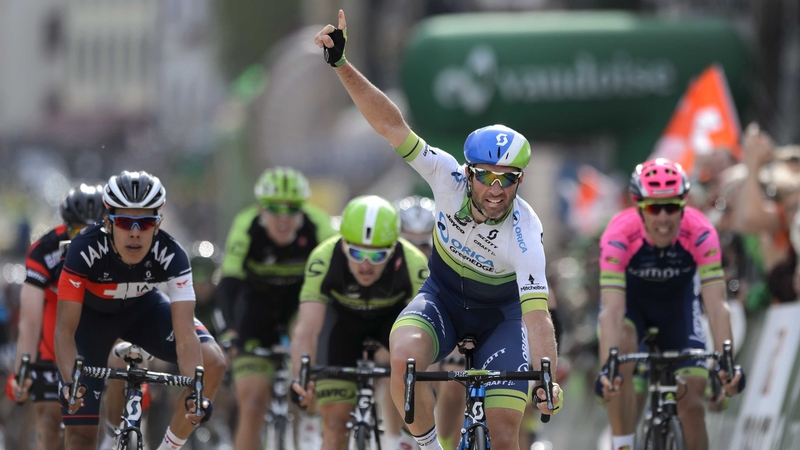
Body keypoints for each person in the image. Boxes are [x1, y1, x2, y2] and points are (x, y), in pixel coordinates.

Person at [313, 11, 562, 450]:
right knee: (404, 360)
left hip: (501, 320)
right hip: (442, 302)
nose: (496, 189)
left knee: (505, 432)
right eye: (486, 176)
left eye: (508, 179)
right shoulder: (445, 177)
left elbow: (537, 317)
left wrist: (547, 377)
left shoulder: (525, 231)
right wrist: (342, 65)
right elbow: (391, 126)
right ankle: (428, 447)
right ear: (468, 173)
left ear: (520, 180)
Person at [54, 170, 227, 450]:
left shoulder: (173, 254)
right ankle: (107, 437)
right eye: (124, 222)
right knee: (80, 438)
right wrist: (70, 382)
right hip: (92, 321)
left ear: (157, 225)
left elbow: (185, 334)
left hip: (144, 312)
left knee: (213, 362)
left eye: (145, 223)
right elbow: (64, 329)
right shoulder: (83, 247)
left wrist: (195, 391)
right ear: (108, 222)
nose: (135, 233)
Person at [596, 158, 746, 450]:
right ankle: (622, 444)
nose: (664, 218)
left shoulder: (701, 231)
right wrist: (607, 369)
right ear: (640, 207)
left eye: (672, 207)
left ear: (683, 205)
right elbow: (611, 311)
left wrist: (726, 362)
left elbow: (717, 306)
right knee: (619, 357)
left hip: (678, 314)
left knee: (692, 406)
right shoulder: (619, 233)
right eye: (655, 208)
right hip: (631, 313)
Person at [291, 195, 429, 450]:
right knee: (335, 424)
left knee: (415, 386)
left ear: (393, 248)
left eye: (378, 256)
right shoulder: (323, 258)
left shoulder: (413, 263)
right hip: (342, 326)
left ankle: (406, 439)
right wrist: (301, 376)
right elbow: (307, 329)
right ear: (343, 245)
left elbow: (425, 331)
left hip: (392, 323)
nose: (365, 266)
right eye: (356, 253)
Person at [215, 166, 335, 450]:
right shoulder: (246, 225)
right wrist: (229, 330)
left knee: (309, 349)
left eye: (292, 209)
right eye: (273, 208)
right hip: (256, 311)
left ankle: (308, 422)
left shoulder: (318, 224)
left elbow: (337, 279)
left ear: (303, 208)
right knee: (252, 404)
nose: (283, 218)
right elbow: (229, 283)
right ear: (260, 208)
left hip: (300, 306)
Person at [6, 183, 107, 450]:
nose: (83, 239)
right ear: (65, 226)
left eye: (93, 231)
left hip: (96, 345)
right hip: (51, 348)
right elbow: (30, 320)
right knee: (50, 422)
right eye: (77, 231)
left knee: (88, 433)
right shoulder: (44, 249)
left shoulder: (119, 249)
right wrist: (21, 370)